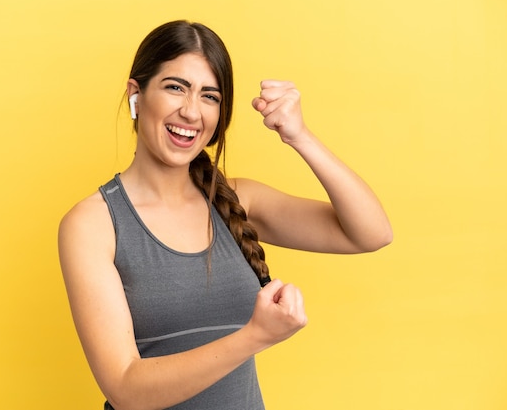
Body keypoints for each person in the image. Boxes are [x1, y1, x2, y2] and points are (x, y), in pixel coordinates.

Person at [58, 20, 392, 410]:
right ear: (137, 94)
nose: (191, 111)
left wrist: (299, 135)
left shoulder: (236, 200)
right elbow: (126, 389)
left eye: (210, 96)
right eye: (175, 87)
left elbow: (371, 233)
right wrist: (255, 336)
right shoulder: (93, 224)